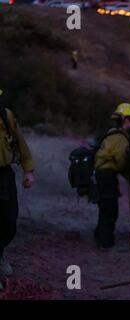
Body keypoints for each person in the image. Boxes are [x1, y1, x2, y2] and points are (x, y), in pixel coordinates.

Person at [0, 89, 35, 288]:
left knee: (9, 221)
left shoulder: (6, 115)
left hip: (4, 174)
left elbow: (21, 143)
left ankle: (0, 251)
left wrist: (28, 170)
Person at [94, 103, 130, 249]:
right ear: (126, 119)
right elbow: (120, 161)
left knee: (105, 208)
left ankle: (99, 236)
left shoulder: (112, 133)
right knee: (110, 210)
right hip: (107, 176)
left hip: (101, 175)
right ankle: (105, 242)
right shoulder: (121, 138)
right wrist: (129, 174)